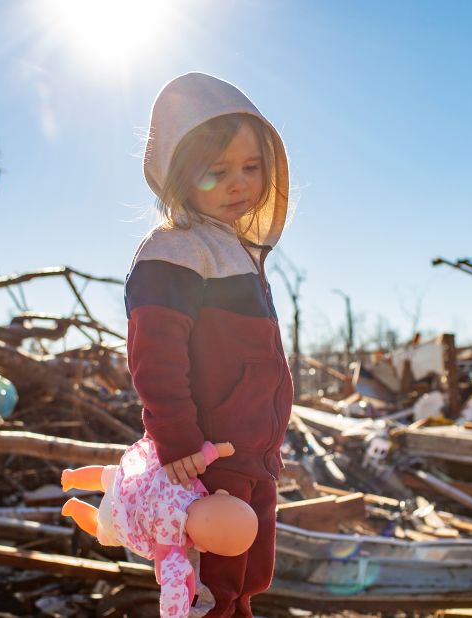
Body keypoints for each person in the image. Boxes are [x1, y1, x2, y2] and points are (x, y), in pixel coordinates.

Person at [125, 72, 294, 617]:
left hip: (251, 458)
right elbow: (155, 355)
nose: (238, 184)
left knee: (248, 579)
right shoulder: (175, 251)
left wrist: (268, 444)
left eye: (251, 168)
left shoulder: (238, 252)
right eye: (217, 172)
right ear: (179, 175)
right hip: (204, 460)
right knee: (208, 587)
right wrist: (176, 439)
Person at [60, 439, 258, 618]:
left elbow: (198, 459)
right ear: (204, 547)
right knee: (101, 532)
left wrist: (217, 450)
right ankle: (76, 509)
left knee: (106, 474)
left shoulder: (185, 483)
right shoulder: (173, 543)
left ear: (221, 494)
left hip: (129, 487)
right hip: (118, 521)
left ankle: (73, 478)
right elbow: (174, 586)